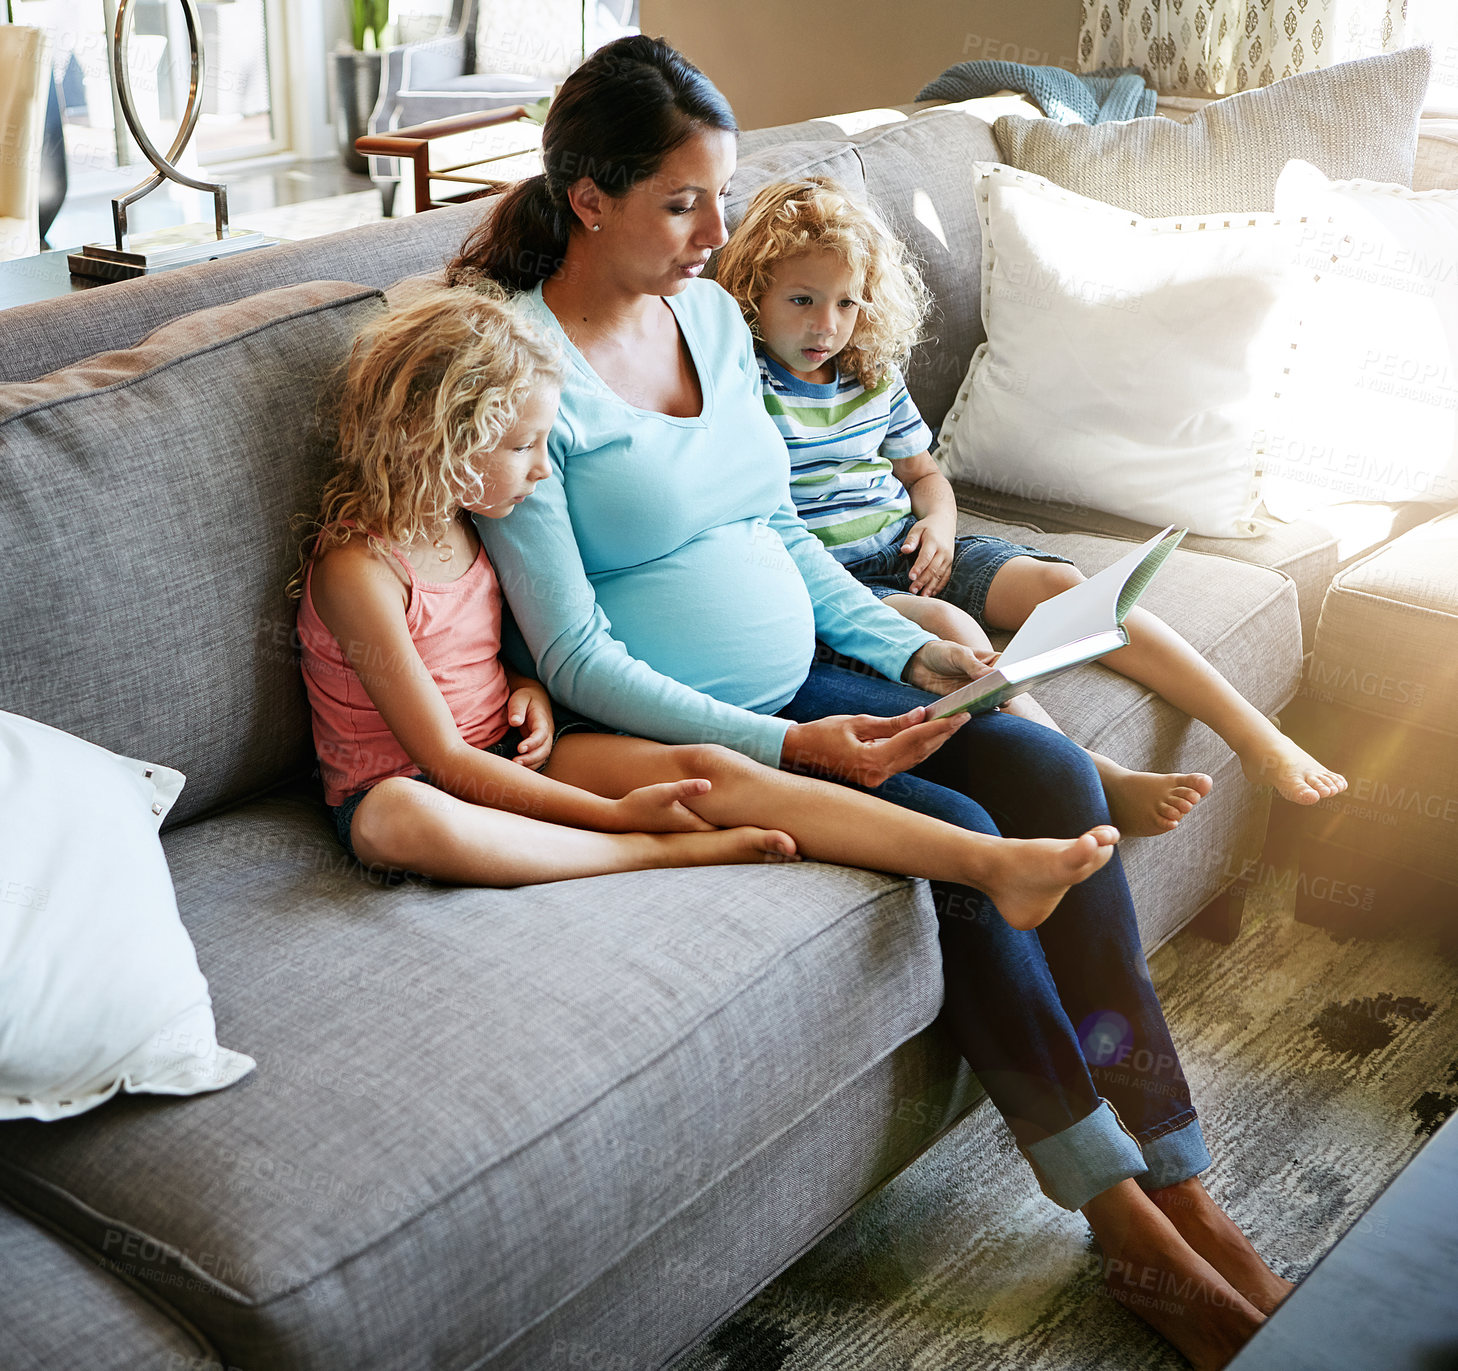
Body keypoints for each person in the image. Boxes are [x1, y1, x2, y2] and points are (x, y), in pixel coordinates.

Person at [450, 34, 1291, 1368]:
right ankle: (1118, 1213)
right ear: (586, 193)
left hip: (817, 662)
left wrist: (912, 657)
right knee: (959, 841)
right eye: (681, 202)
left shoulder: (713, 319)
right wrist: (790, 738)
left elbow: (779, 531)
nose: (713, 233)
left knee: (1058, 776)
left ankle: (1180, 1165)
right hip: (701, 717)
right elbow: (574, 655)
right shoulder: (517, 371)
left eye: (719, 195)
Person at [288, 283, 1118, 920]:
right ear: (443, 441)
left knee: (714, 769)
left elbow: (490, 654)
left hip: (507, 749)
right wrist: (615, 812)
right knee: (397, 820)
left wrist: (527, 691)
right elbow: (442, 760)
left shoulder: (473, 522)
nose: (544, 470)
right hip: (415, 781)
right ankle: (643, 851)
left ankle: (992, 865)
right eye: (522, 447)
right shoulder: (359, 569)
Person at [715, 174, 1348, 823]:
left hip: (913, 546)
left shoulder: (870, 373)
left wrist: (937, 524)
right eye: (802, 299)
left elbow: (924, 475)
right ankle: (1092, 772)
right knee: (955, 635)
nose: (827, 325)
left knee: (1066, 586)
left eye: (847, 303)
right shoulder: (741, 380)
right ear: (752, 293)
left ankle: (1253, 735)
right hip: (841, 587)